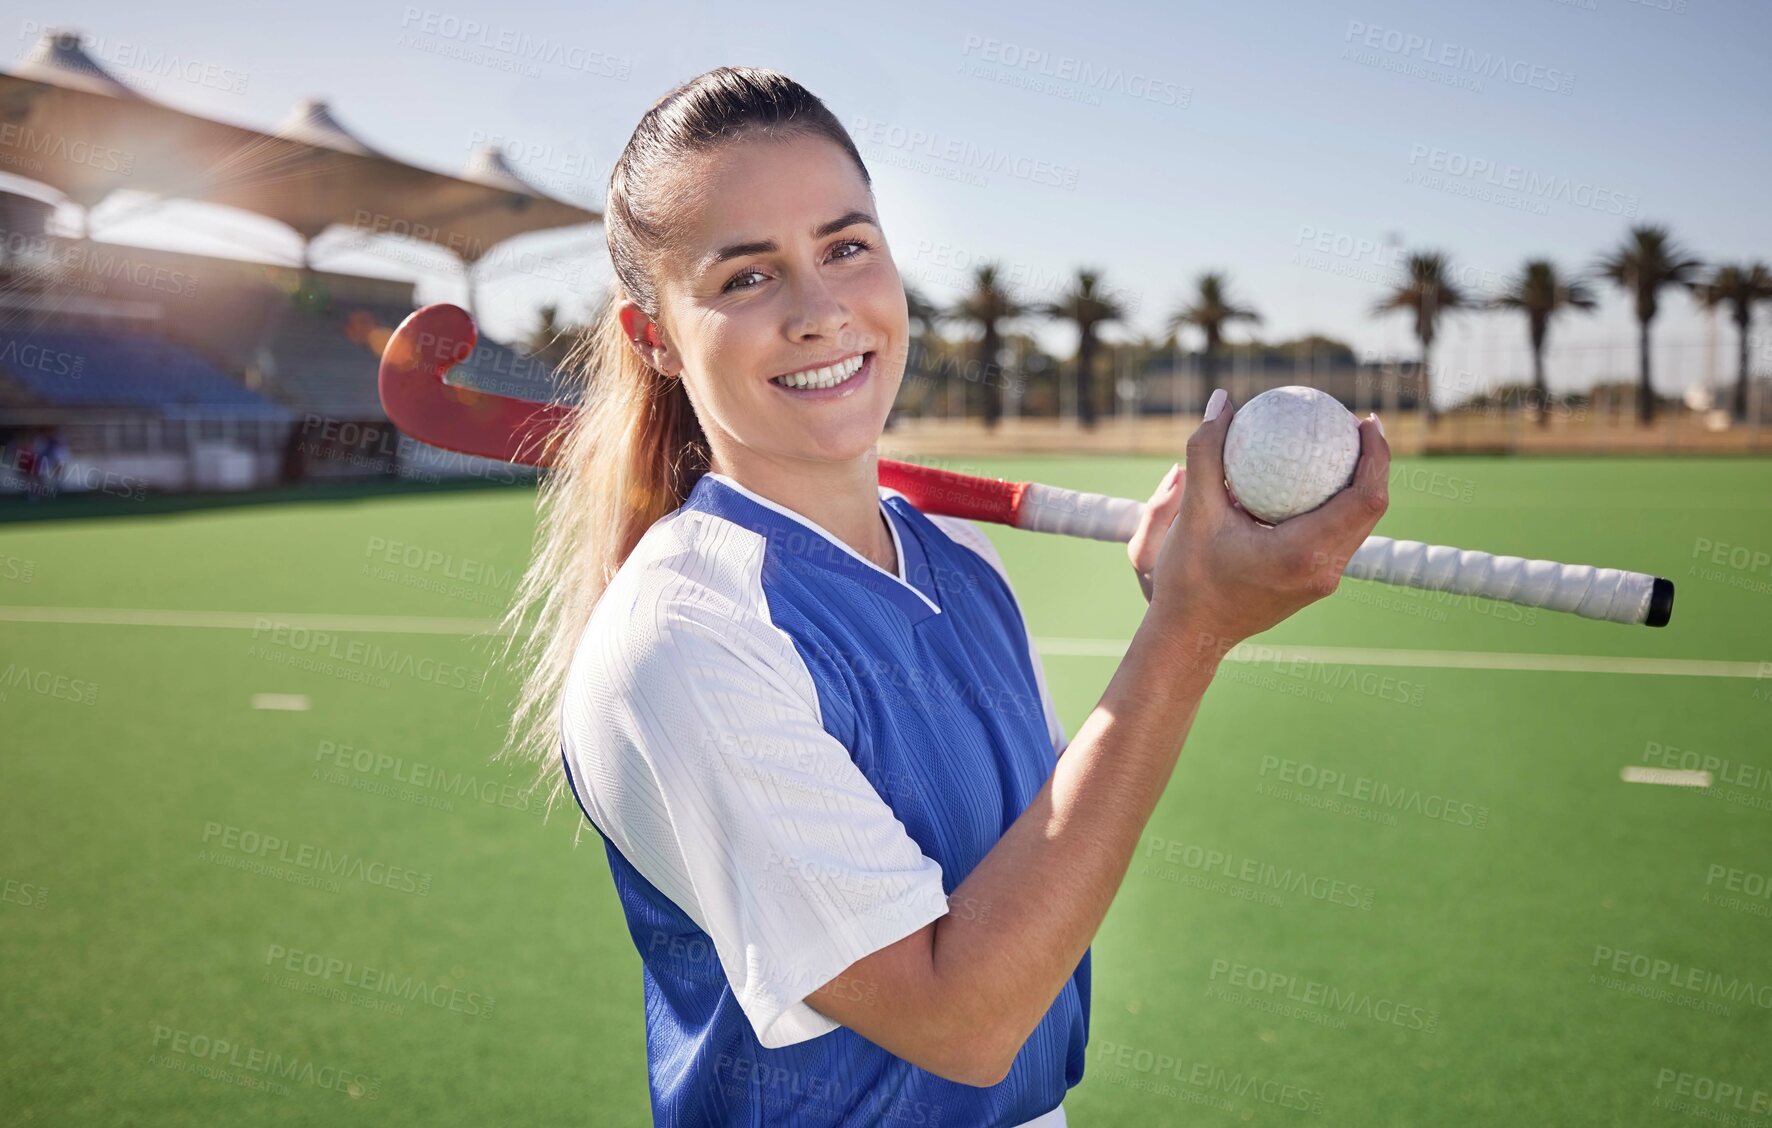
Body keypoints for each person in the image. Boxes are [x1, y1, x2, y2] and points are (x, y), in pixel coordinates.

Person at [495, 67, 1390, 1127]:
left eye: (845, 248)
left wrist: (1175, 612)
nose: (821, 311)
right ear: (653, 338)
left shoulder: (960, 559)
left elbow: (1036, 871)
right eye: (747, 276)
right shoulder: (682, 639)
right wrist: (1189, 635)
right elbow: (960, 1020)